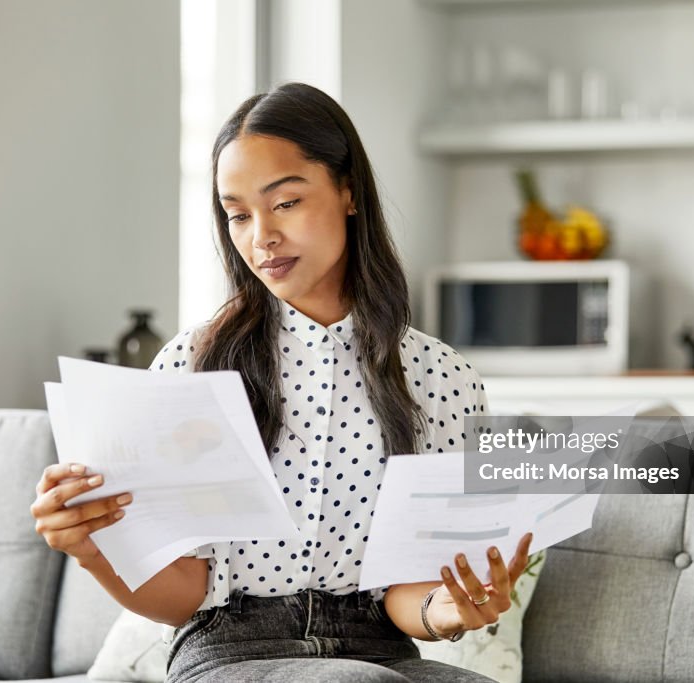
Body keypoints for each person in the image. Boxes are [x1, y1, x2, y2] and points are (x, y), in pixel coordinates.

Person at [31, 81, 536, 683]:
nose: (260, 237)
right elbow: (185, 592)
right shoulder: (193, 363)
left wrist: (447, 609)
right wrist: (90, 551)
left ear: (349, 192)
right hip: (231, 649)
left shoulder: (442, 377)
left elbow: (406, 593)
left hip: (379, 652)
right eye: (238, 214)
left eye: (286, 203)